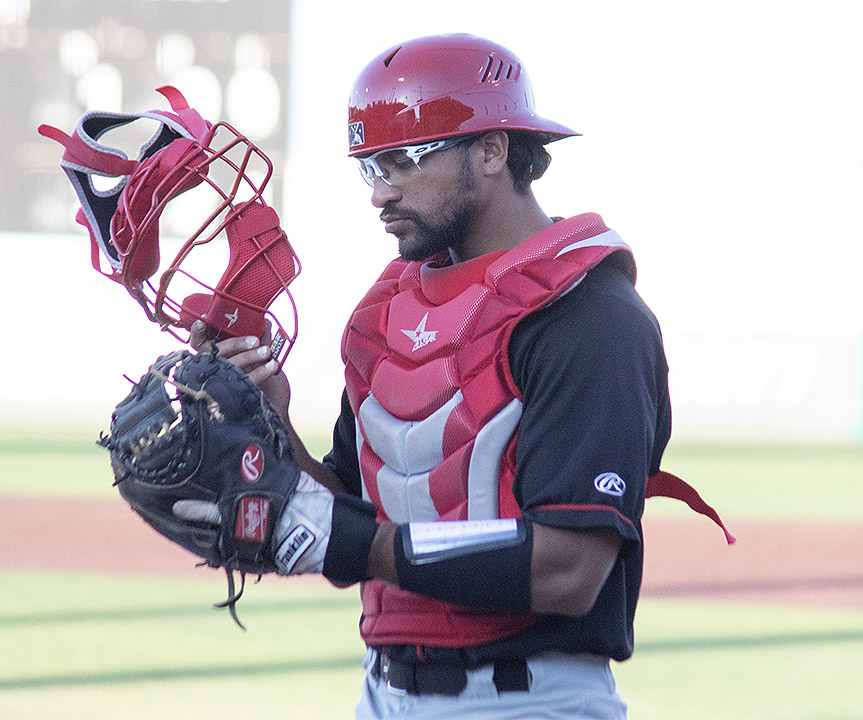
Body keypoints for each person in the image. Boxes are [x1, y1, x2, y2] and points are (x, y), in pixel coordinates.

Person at [190, 33, 732, 720]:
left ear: (492, 150)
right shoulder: (387, 313)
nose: (380, 190)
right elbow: (352, 516)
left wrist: (345, 539)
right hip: (381, 692)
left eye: (403, 160)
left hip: (527, 700)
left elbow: (569, 569)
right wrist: (270, 418)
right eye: (368, 167)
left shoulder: (590, 315)